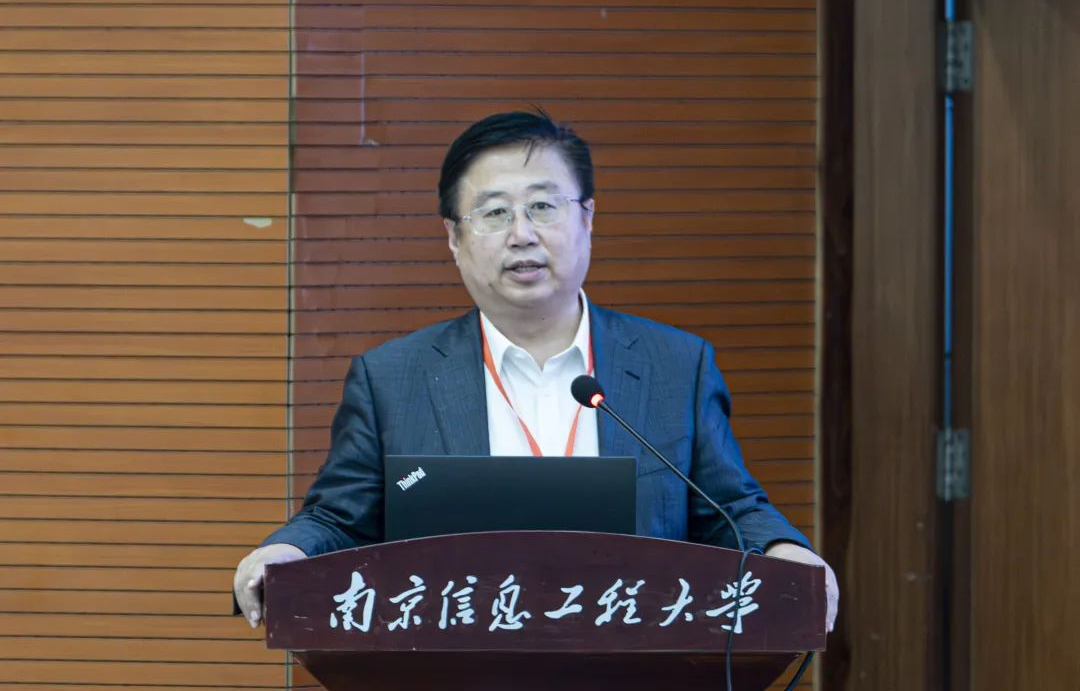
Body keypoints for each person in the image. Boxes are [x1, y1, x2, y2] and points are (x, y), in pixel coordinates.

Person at [233, 110, 839, 631]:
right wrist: (284, 551)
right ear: (454, 237)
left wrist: (784, 551)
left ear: (588, 218)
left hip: (638, 664)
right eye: (494, 213)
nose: (522, 234)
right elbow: (339, 518)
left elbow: (729, 510)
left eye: (543, 206)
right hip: (454, 668)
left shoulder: (676, 365)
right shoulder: (392, 378)